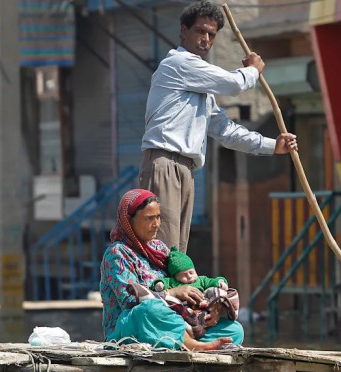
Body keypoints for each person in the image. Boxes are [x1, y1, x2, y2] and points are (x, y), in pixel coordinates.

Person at [139, 0, 298, 253]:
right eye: (199, 31)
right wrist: (253, 71)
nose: (205, 39)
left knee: (177, 252)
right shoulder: (178, 64)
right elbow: (233, 83)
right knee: (162, 246)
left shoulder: (202, 88)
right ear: (183, 31)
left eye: (211, 35)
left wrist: (272, 146)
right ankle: (159, 292)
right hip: (164, 164)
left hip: (185, 169)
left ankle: (175, 291)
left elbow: (226, 131)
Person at [99, 188, 243, 350]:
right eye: (149, 218)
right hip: (133, 328)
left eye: (159, 217)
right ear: (129, 221)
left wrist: (211, 309)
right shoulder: (117, 253)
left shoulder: (160, 248)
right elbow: (129, 301)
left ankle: (190, 342)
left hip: (175, 321)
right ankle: (196, 346)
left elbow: (184, 284)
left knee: (234, 329)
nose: (157, 224)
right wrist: (173, 293)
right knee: (148, 309)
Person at [148, 246, 239, 339]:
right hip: (184, 314)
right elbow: (162, 283)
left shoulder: (201, 280)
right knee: (181, 323)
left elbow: (212, 281)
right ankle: (191, 340)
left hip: (203, 310)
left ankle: (197, 339)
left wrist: (220, 282)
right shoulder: (173, 282)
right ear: (175, 276)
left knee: (236, 330)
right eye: (183, 275)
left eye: (191, 272)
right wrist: (160, 285)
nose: (189, 276)